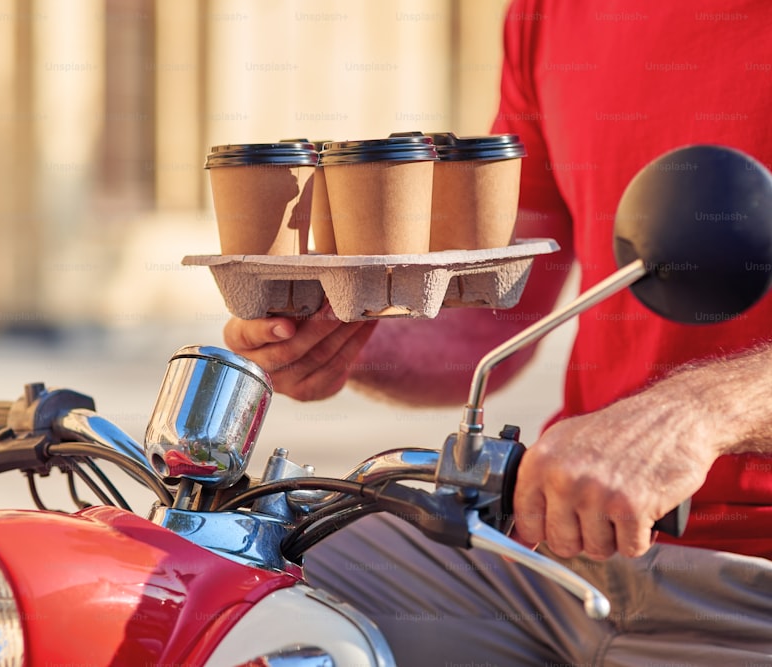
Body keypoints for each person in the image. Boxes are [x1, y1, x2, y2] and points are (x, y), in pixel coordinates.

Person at [224, 1, 772, 664]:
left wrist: (700, 412)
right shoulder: (550, 16)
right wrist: (345, 329)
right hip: (552, 548)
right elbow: (497, 312)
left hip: (747, 588)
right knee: (228, 594)